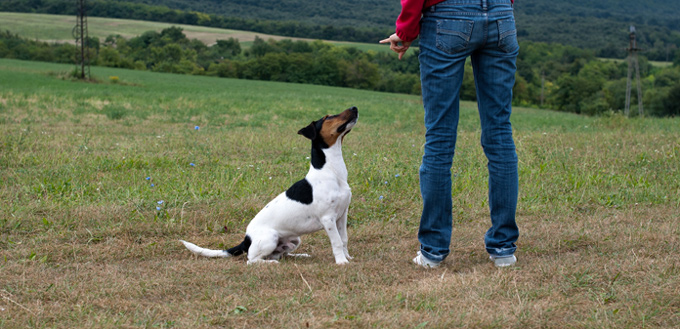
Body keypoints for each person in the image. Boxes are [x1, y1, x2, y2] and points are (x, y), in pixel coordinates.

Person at [380, 0, 519, 268]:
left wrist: (406, 30)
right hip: (501, 14)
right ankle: (503, 249)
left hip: (447, 15)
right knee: (500, 131)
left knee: (440, 137)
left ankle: (433, 251)